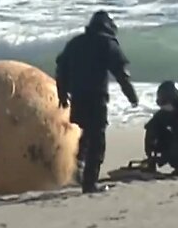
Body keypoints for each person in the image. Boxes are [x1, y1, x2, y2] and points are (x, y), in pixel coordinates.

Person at [55, 10, 139, 193]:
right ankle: (90, 183)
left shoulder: (75, 43)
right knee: (97, 140)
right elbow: (121, 73)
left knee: (87, 132)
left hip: (77, 97)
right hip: (96, 97)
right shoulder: (107, 43)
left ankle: (79, 165)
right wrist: (131, 95)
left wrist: (62, 93)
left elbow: (61, 69)